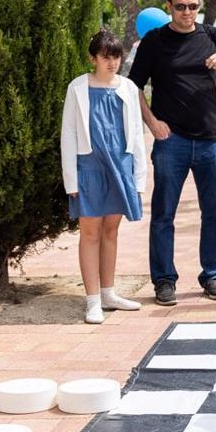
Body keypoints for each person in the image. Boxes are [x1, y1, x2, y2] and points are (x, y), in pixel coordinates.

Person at [129, 0, 216, 306]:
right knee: (164, 214)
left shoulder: (210, 35)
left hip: (210, 138)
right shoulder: (154, 41)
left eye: (193, 6)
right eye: (180, 6)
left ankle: (213, 274)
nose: (187, 12)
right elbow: (133, 87)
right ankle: (164, 280)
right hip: (172, 141)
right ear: (169, 7)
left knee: (215, 212)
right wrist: (152, 123)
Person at [61, 30, 147, 324]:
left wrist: (138, 179)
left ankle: (109, 293)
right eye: (106, 57)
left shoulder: (128, 88)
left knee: (111, 230)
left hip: (120, 167)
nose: (112, 63)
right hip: (89, 167)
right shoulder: (78, 88)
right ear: (93, 58)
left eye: (116, 57)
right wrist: (71, 181)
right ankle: (93, 300)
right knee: (90, 233)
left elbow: (136, 133)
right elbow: (69, 135)